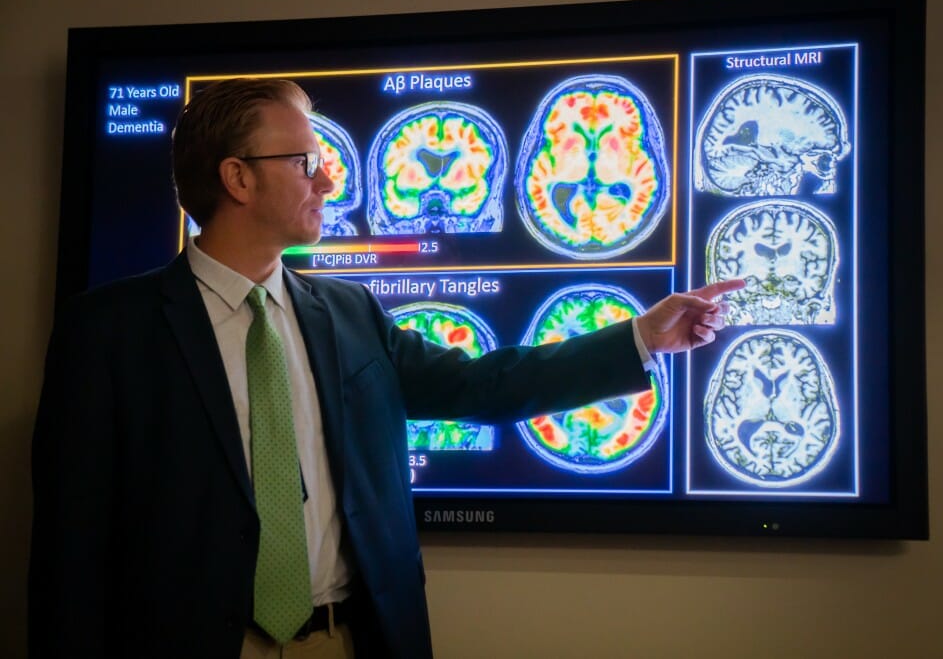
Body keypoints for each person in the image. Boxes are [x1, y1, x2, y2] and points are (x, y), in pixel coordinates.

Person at [28, 78, 743, 659]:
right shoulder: (109, 331)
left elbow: (478, 385)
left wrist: (641, 338)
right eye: (307, 162)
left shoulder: (348, 313)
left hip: (348, 639)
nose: (330, 178)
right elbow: (71, 548)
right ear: (237, 179)